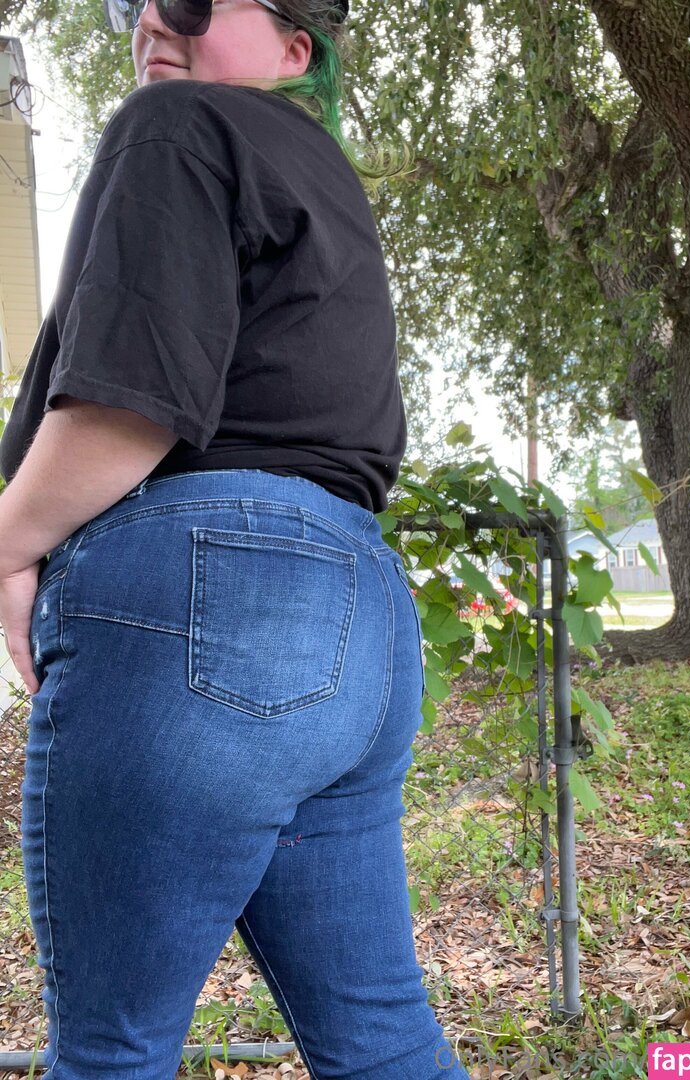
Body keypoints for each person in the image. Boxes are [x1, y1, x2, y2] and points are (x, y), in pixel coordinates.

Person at [0, 1, 471, 1076]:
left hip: (204, 604)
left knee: (113, 1049)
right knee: (380, 1033)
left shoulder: (178, 124)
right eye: (132, 1)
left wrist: (8, 544)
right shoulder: (324, 180)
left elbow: (128, 407)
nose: (151, 20)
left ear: (297, 47)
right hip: (361, 622)